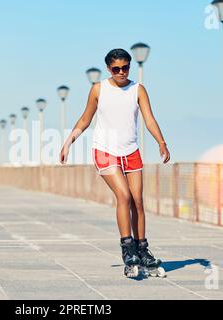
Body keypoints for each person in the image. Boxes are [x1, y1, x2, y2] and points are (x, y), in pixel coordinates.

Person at [60, 48, 171, 276]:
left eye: (125, 67)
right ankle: (127, 249)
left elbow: (149, 118)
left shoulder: (138, 89)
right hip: (105, 150)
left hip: (131, 151)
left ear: (130, 66)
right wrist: (68, 142)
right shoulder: (98, 89)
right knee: (124, 196)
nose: (121, 72)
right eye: (116, 69)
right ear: (109, 69)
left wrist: (161, 141)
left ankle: (143, 250)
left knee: (138, 201)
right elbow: (85, 118)